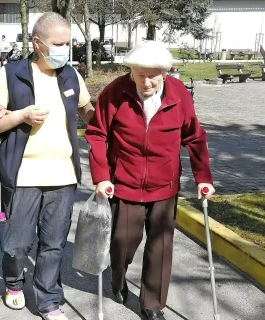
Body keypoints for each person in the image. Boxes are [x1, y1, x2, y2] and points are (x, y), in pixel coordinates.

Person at [85, 41, 215, 320]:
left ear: (165, 73)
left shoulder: (179, 94)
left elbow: (194, 137)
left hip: (164, 187)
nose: (146, 82)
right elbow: (96, 133)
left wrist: (203, 177)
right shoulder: (115, 92)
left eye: (153, 75)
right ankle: (117, 278)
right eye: (140, 74)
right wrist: (101, 176)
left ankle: (153, 304)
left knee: (160, 248)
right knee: (123, 243)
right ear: (131, 71)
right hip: (125, 184)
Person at [0, 12, 94, 320]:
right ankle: (14, 283)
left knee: (54, 245)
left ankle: (48, 301)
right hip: (23, 175)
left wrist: (116, 120)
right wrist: (20, 116)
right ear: (37, 42)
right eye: (58, 44)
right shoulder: (12, 73)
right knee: (17, 244)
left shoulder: (71, 75)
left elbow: (87, 111)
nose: (64, 50)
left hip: (64, 176)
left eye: (68, 44)